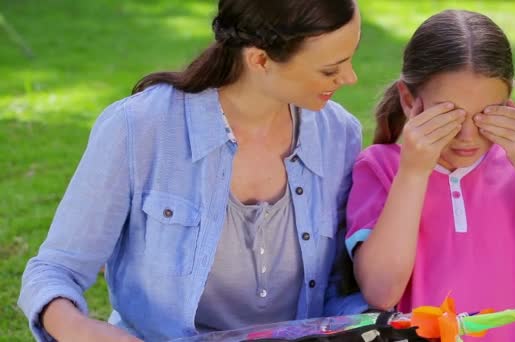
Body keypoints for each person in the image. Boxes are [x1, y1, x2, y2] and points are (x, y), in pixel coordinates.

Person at [18, 1, 368, 341]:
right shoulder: (138, 128)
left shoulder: (339, 135)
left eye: (351, 59)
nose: (350, 77)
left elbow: (339, 284)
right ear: (260, 59)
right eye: (330, 68)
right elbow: (53, 271)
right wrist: (80, 330)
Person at [344, 9, 515, 341]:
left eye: (486, 114)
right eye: (449, 113)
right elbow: (381, 291)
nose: (467, 135)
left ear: (508, 103)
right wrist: (414, 173)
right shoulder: (380, 168)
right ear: (409, 100)